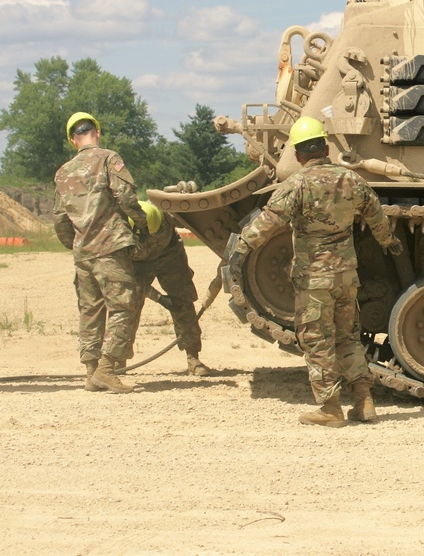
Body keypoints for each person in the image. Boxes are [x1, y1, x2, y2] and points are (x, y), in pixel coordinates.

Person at [230, 116, 402, 427]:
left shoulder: (297, 184)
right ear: (325, 147)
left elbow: (269, 220)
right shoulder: (352, 180)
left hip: (314, 279)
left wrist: (241, 248)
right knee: (348, 337)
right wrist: (388, 241)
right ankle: (364, 401)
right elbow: (375, 212)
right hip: (347, 276)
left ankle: (330, 408)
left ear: (297, 154)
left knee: (317, 339)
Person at [53, 111, 147, 394]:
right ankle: (107, 368)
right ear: (97, 132)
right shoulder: (108, 158)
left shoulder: (62, 172)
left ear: (73, 139)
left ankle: (91, 372)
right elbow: (126, 197)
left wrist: (76, 243)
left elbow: (59, 219)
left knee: (90, 311)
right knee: (124, 306)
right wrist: (141, 222)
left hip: (83, 252)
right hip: (110, 248)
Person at [127, 200, 213, 376]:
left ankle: (193, 358)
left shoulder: (165, 215)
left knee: (183, 301)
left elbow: (194, 218)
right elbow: (131, 279)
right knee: (127, 305)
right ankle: (117, 358)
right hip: (137, 265)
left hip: (171, 256)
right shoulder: (119, 233)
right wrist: (161, 299)